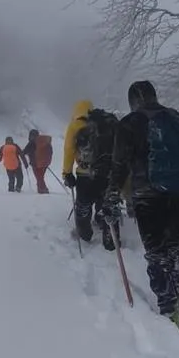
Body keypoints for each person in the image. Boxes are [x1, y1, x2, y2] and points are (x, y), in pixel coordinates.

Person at [103, 80, 179, 326]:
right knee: (175, 243)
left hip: (146, 196)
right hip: (176, 193)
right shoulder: (177, 119)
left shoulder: (129, 124)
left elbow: (119, 165)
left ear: (133, 100)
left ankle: (168, 306)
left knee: (156, 251)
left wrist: (111, 195)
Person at [62, 100, 120, 250]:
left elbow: (69, 150)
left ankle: (85, 234)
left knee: (83, 206)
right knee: (106, 204)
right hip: (107, 174)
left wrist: (67, 173)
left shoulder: (75, 126)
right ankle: (110, 238)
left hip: (85, 174)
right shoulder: (107, 124)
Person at [23, 129, 53, 194]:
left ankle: (42, 189)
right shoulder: (43, 142)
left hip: (35, 163)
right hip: (44, 163)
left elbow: (24, 152)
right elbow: (50, 151)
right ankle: (42, 188)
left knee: (39, 177)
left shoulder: (31, 143)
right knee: (40, 177)